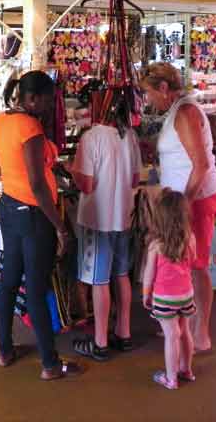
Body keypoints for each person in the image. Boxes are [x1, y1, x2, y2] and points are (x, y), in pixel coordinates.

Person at [0, 71, 81, 381]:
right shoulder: (30, 127)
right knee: (37, 288)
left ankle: (4, 350)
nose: (49, 106)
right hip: (34, 214)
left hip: (9, 207)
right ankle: (50, 364)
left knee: (10, 280)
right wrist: (60, 227)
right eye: (47, 100)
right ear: (32, 98)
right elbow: (38, 185)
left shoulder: (0, 121)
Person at [141, 62, 216, 354]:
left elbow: (200, 165)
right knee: (184, 264)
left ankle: (201, 333)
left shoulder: (186, 112)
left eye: (149, 93)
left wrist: (184, 205)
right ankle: (184, 327)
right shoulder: (177, 111)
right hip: (184, 199)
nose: (148, 99)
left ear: (164, 88)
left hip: (196, 198)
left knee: (197, 265)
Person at [70, 92, 142, 361]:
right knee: (121, 275)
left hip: (97, 219)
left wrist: (71, 169)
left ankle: (100, 342)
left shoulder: (91, 138)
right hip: (123, 216)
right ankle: (123, 334)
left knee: (99, 281)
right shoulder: (130, 137)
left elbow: (87, 184)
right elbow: (135, 179)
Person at [142, 189, 198, 390]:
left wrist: (146, 294)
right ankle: (187, 369)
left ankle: (171, 378)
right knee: (185, 332)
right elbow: (193, 261)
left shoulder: (156, 245)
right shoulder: (190, 239)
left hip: (164, 298)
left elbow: (149, 274)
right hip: (186, 295)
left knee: (171, 335)